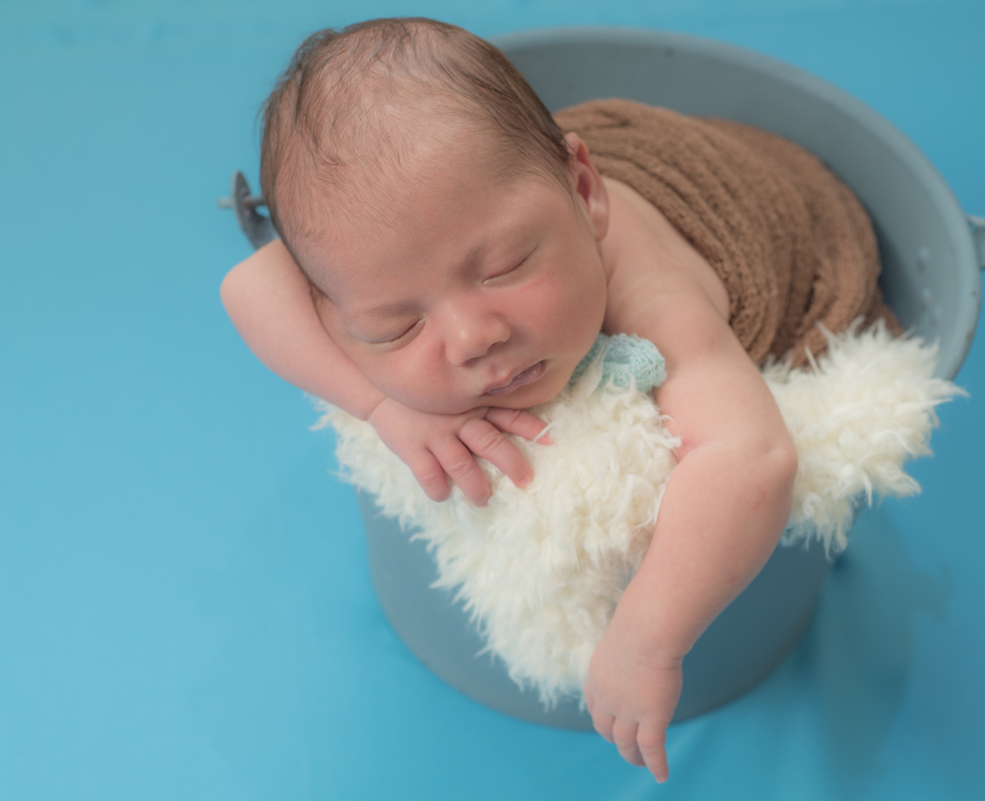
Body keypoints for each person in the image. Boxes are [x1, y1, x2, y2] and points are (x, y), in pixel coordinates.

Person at [221, 17, 895, 783]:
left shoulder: (654, 292)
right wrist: (382, 407)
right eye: (397, 324)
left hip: (748, 195)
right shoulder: (410, 235)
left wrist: (647, 636)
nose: (473, 337)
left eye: (505, 266)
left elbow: (753, 455)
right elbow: (248, 286)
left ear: (584, 192)